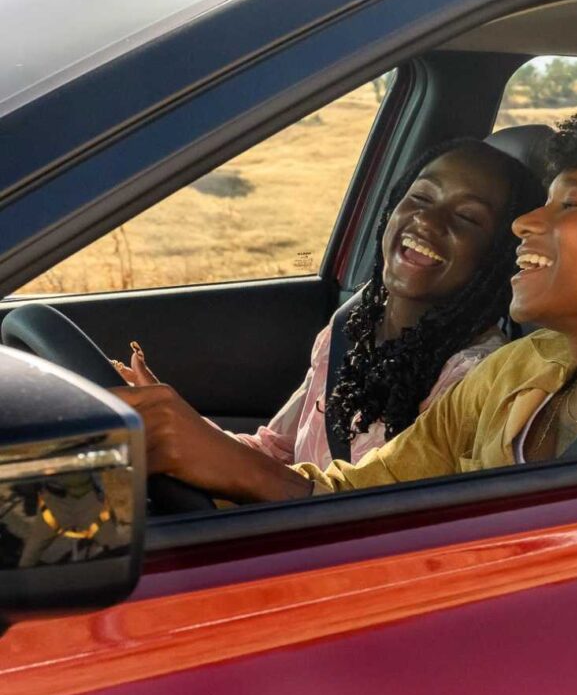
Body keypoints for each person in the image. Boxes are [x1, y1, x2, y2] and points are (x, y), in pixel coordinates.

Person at [114, 102, 577, 502]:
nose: (525, 223)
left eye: (568, 205)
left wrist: (226, 465)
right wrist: (212, 458)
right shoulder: (523, 370)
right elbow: (370, 495)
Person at [114, 138, 544, 471]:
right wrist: (175, 418)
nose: (428, 221)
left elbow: (378, 513)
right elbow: (276, 454)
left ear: (499, 253)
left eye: (467, 218)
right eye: (420, 198)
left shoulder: (473, 378)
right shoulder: (351, 328)